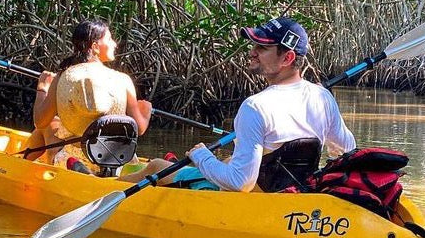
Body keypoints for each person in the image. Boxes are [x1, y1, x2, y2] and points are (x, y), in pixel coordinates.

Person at [130, 16, 355, 191]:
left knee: (156, 166)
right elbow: (347, 149)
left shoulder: (256, 106)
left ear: (287, 58)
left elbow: (240, 183)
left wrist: (201, 156)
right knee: (228, 159)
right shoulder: (322, 97)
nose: (252, 52)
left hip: (253, 200)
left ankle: (108, 186)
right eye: (254, 45)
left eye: (262, 48)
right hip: (296, 194)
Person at [23, 19, 151, 166]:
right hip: (116, 161)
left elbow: (40, 121)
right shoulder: (124, 80)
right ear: (95, 47)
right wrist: (145, 113)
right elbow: (139, 129)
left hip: (72, 161)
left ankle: (20, 165)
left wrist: (42, 88)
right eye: (110, 39)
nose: (115, 44)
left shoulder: (64, 76)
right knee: (53, 125)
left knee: (49, 124)